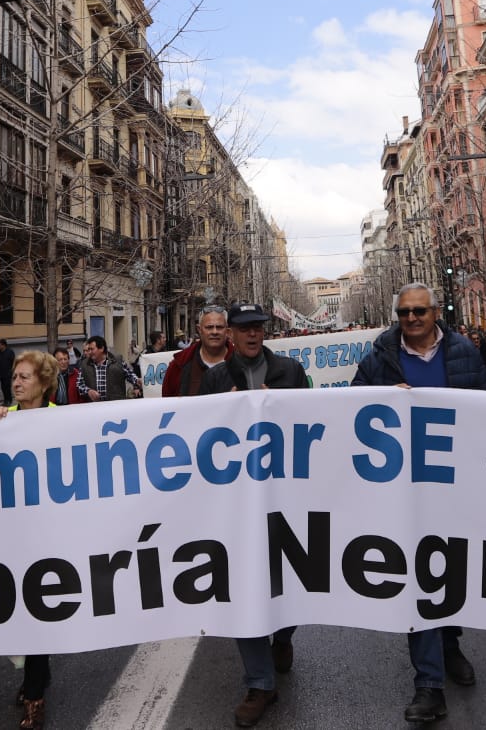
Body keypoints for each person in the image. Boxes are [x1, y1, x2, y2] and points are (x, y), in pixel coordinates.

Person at [350, 285, 486, 723]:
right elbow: (351, 408)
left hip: (454, 486)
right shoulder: (379, 358)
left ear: (435, 312)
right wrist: (382, 398)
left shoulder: (465, 352)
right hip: (402, 489)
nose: (411, 319)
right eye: (404, 312)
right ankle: (428, 683)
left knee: (449, 571)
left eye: (419, 311)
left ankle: (449, 644)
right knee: (417, 576)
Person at [199, 302, 311, 728]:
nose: (251, 335)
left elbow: (314, 421)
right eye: (244, 329)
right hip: (236, 503)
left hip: (285, 498)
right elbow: (199, 436)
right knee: (242, 587)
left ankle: (282, 635)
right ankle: (260, 682)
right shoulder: (215, 379)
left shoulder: (291, 372)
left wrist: (280, 407)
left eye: (257, 328)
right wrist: (221, 413)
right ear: (231, 334)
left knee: (293, 580)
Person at [0, 351, 60, 729]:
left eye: (24, 377)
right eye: (14, 376)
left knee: (39, 610)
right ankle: (36, 677)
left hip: (47, 534)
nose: (16, 383)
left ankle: (35, 694)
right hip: (12, 534)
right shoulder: (3, 422)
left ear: (43, 383)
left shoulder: (61, 421)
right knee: (20, 610)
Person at [160, 304, 231, 398]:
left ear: (227, 330)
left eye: (219, 327)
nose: (214, 332)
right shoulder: (178, 366)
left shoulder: (242, 363)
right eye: (209, 327)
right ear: (199, 329)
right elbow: (167, 404)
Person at [76, 335, 140, 401]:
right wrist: (88, 391)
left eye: (91, 349)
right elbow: (79, 385)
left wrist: (137, 381)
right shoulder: (84, 364)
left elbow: (130, 374)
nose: (89, 352)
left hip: (115, 405)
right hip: (94, 407)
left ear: (101, 348)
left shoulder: (117, 360)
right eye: (88, 349)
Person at [0, 338, 16, 406]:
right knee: (3, 387)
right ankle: (5, 400)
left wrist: (12, 371)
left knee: (7, 387)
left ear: (4, 345)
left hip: (8, 373)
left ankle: (9, 400)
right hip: (1, 374)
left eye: (0, 345)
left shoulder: (9, 352)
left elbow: (14, 362)